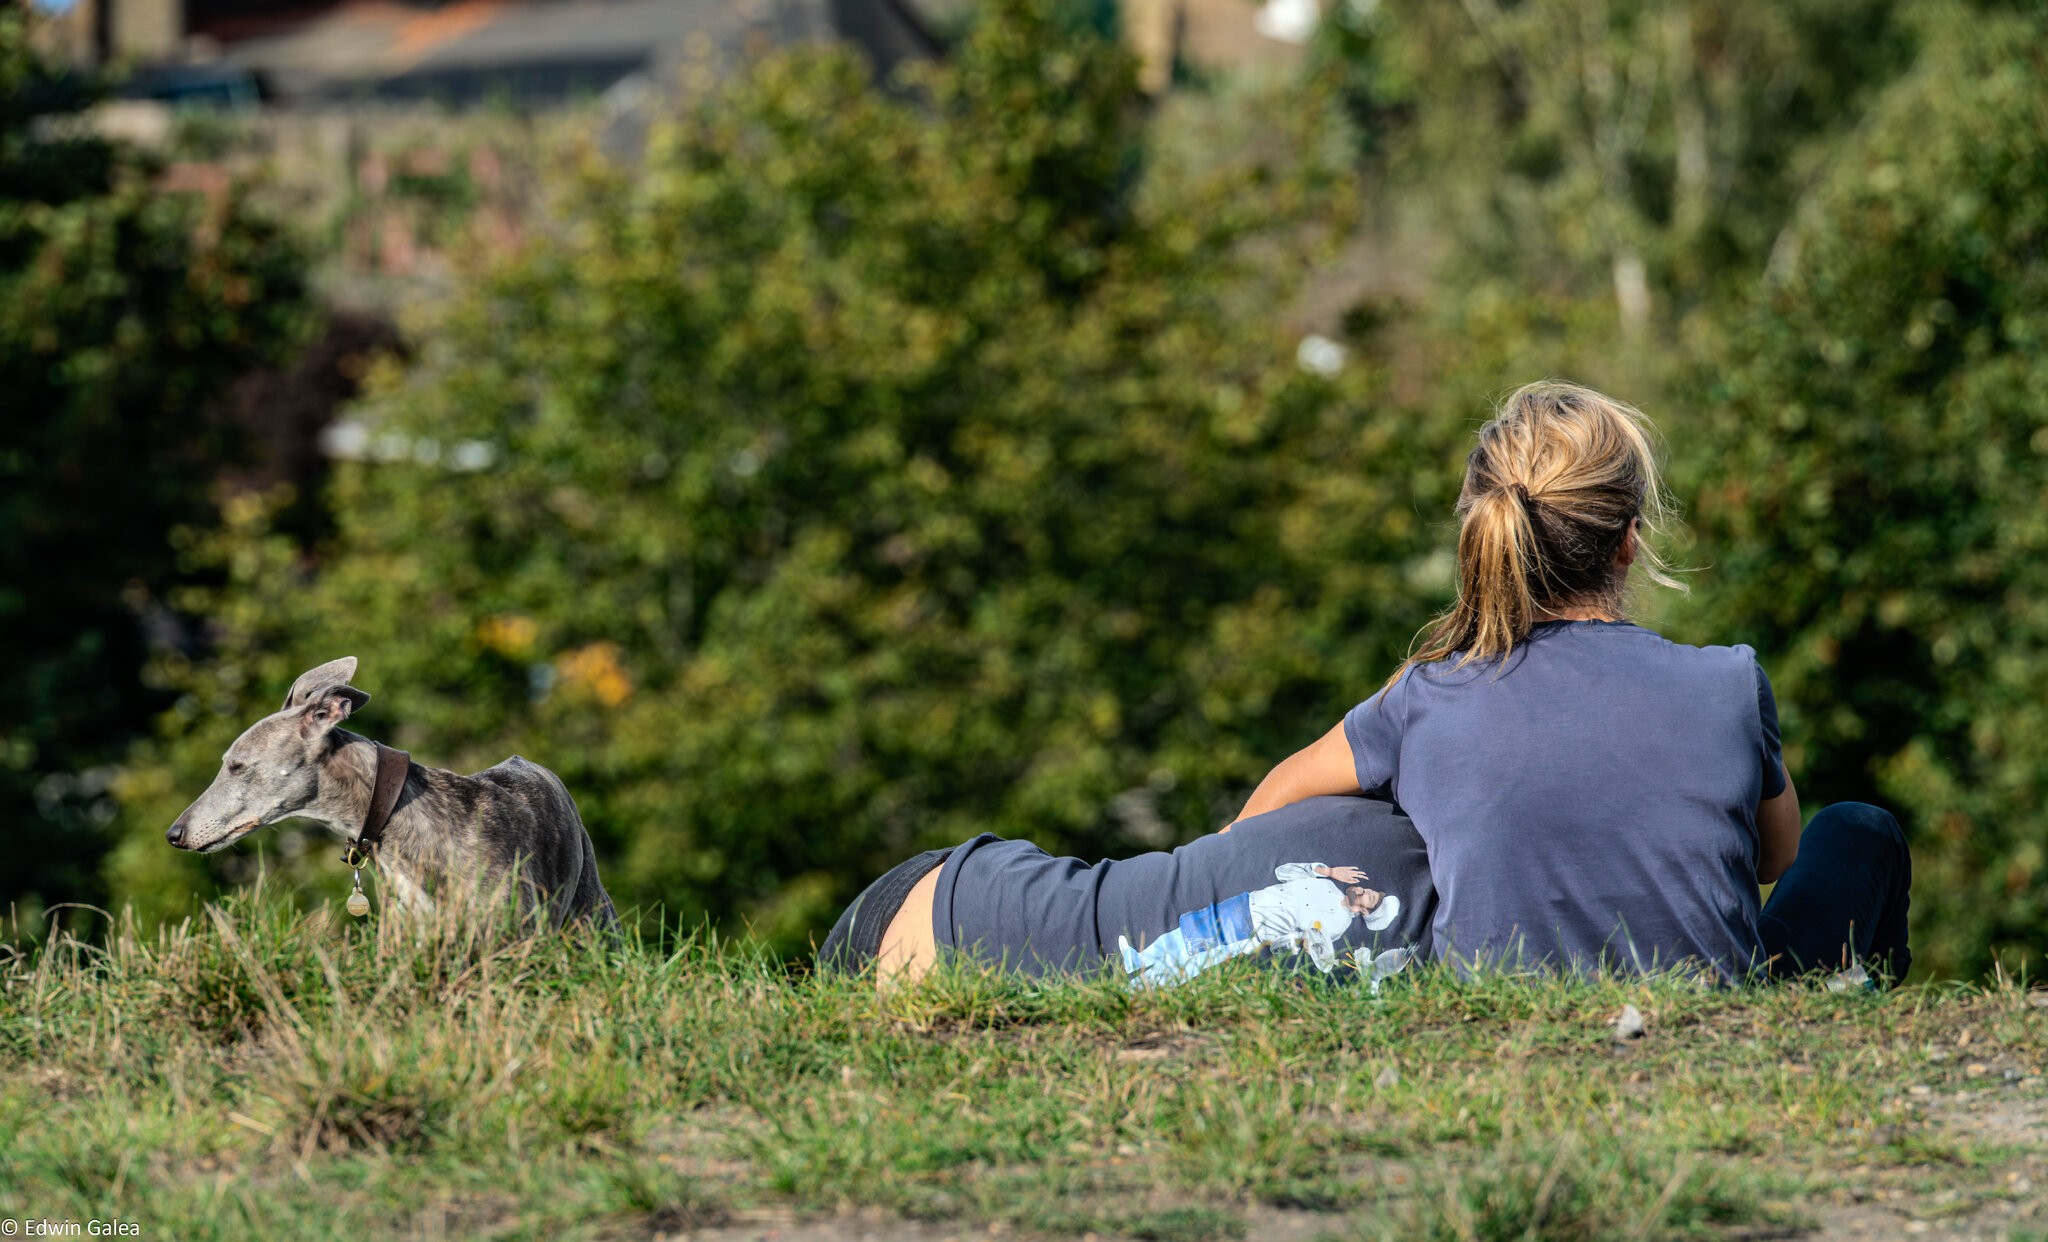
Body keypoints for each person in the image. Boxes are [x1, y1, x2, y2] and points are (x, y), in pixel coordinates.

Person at [1224, 380, 1910, 984]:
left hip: (1505, 1038)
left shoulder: (1423, 699)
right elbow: (1778, 858)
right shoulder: (1727, 680)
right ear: (1628, 541)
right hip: (1712, 1035)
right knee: (1859, 829)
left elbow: (1262, 816)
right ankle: (1847, 1017)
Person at [818, 793, 1434, 988]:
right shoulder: (1420, 714)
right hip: (968, 912)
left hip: (977, 917)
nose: (1370, 902)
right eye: (1373, 903)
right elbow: (1251, 842)